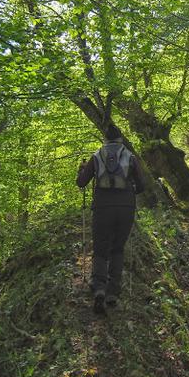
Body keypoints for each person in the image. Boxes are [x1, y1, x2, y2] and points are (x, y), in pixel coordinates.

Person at [76, 124, 145, 314]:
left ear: (105, 139)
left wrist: (80, 170)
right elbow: (142, 186)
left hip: (102, 207)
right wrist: (130, 188)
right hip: (125, 208)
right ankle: (113, 292)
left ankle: (98, 287)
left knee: (100, 247)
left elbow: (81, 183)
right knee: (117, 248)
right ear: (120, 139)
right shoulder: (130, 157)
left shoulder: (97, 156)